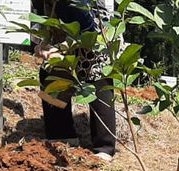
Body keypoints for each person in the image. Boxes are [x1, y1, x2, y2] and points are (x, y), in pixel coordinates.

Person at [32, 0, 116, 161]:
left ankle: (104, 147)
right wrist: (43, 45)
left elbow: (89, 32)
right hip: (64, 33)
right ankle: (62, 135)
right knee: (50, 72)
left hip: (95, 34)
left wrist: (61, 48)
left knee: (97, 78)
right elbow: (47, 18)